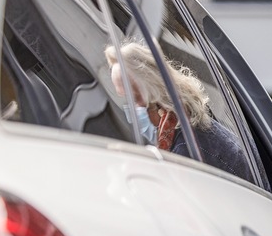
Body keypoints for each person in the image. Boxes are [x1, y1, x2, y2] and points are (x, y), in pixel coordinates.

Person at [105, 41, 254, 181]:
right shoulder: (189, 129)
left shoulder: (187, 150)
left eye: (136, 100)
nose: (133, 110)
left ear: (154, 94)